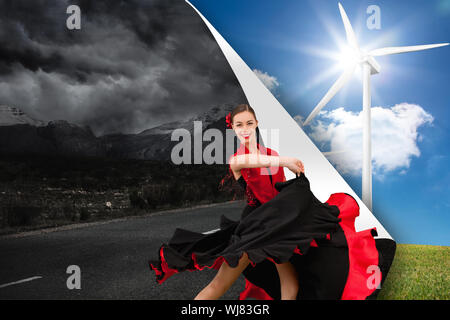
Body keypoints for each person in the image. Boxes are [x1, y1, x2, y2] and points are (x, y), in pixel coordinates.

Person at [149, 103, 387, 300]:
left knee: (291, 284)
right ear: (232, 128)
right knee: (218, 286)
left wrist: (297, 187)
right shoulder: (238, 160)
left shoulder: (272, 154)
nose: (245, 129)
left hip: (278, 227)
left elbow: (281, 189)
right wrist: (287, 161)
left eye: (249, 124)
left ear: (256, 124)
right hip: (255, 228)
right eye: (239, 125)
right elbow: (257, 161)